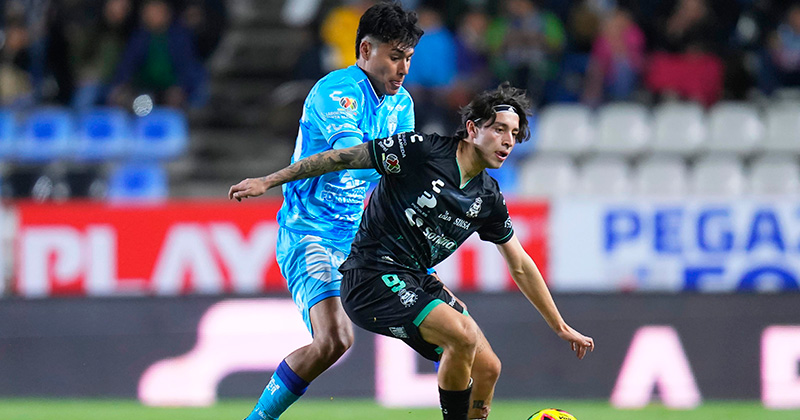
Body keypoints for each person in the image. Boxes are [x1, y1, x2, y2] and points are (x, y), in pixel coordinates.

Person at [229, 84, 595, 420]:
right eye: (499, 129)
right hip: (371, 275)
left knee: (487, 369)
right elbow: (342, 158)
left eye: (514, 134)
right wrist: (268, 180)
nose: (508, 141)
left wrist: (560, 326)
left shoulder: (488, 198)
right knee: (462, 335)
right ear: (471, 129)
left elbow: (520, 265)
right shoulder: (420, 151)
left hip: (416, 278)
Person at [232, 3, 422, 420]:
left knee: (445, 323)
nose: (403, 69)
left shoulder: (401, 104)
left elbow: (398, 177)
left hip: (359, 240)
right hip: (310, 232)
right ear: (366, 49)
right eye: (395, 57)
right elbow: (352, 158)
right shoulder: (336, 92)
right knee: (335, 339)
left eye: (408, 58)